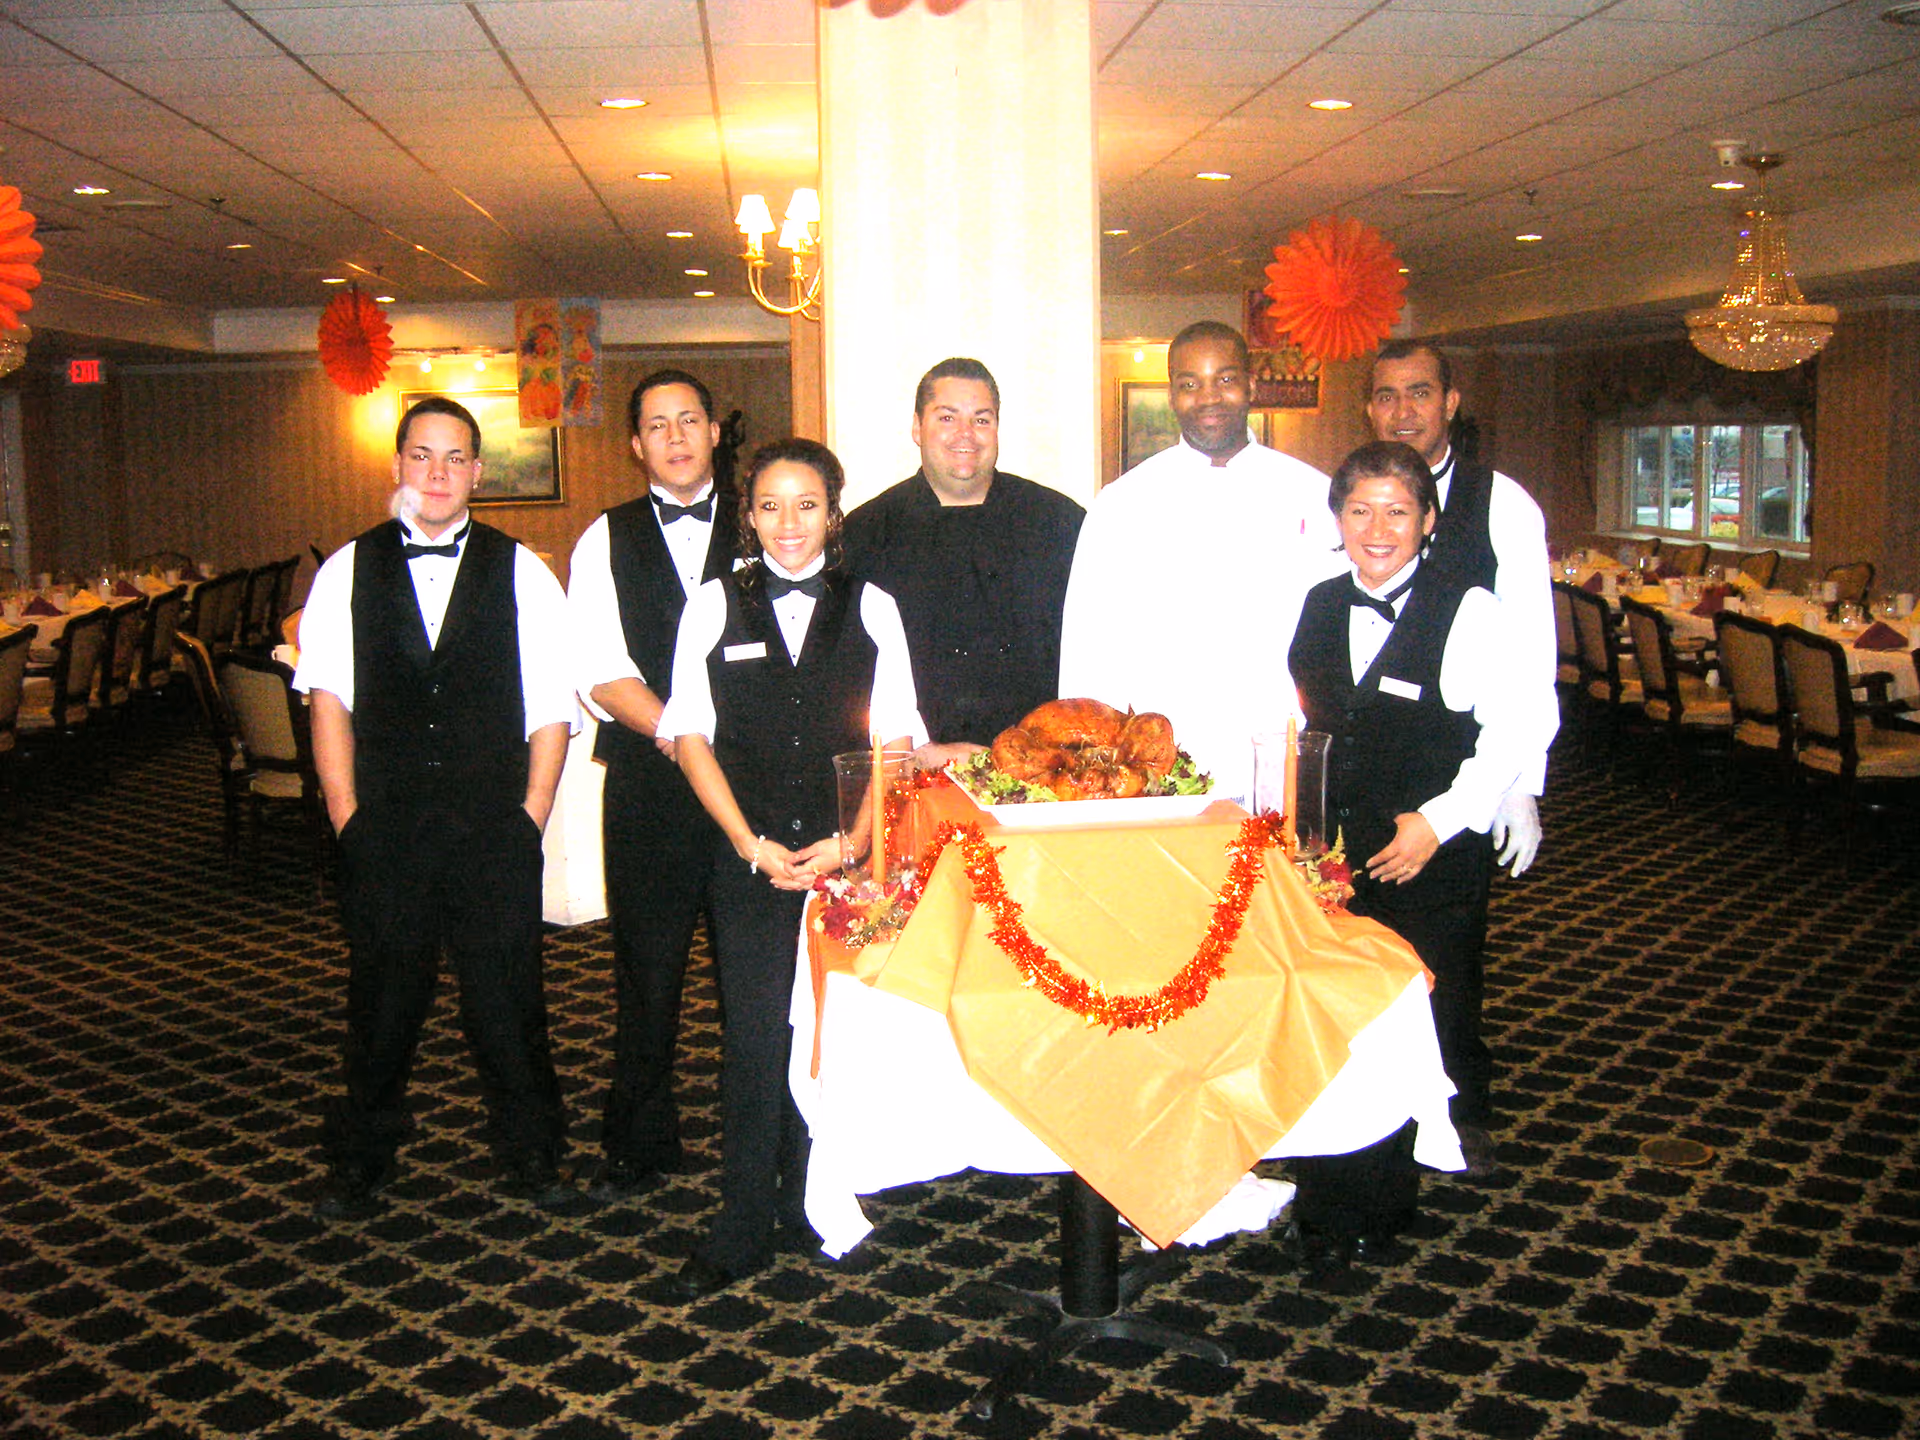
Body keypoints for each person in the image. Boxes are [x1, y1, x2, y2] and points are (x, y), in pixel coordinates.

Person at [298, 396, 579, 1217]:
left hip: (492, 827)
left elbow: (549, 708)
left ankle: (534, 1154)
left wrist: (530, 812)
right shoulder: (345, 571)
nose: (437, 474)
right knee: (381, 1005)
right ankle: (359, 1160)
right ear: (396, 465)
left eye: (455, 459)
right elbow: (328, 704)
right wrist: (347, 816)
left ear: (478, 474)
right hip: (384, 827)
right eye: (422, 456)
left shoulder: (522, 568)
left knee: (508, 1002)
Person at [658, 437, 925, 1299]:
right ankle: (741, 1221)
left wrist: (851, 843)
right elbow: (687, 736)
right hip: (749, 858)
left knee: (831, 1037)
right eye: (770, 505)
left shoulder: (874, 605)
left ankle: (816, 1203)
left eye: (806, 504)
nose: (788, 524)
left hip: (845, 864)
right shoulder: (711, 606)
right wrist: (746, 840)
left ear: (833, 514)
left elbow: (895, 744)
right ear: (749, 515)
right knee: (753, 1039)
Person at [1284, 441, 1527, 1266]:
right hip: (1334, 862)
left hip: (1431, 864)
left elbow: (1512, 736)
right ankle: (1328, 1199)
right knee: (1334, 1025)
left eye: (1397, 511)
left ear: (1427, 522)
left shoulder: (1470, 610)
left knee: (1412, 1023)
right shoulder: (1316, 600)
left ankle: (1378, 1209)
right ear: (1337, 520)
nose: (1377, 528)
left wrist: (1439, 820)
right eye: (1360, 510)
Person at [566, 370, 738, 1200]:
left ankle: (772, 1145)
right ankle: (638, 1142)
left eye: (689, 421)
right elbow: (600, 670)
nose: (675, 437)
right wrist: (681, 734)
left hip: (755, 793)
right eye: (657, 426)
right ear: (636, 444)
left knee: (761, 981)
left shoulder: (766, 517)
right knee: (647, 973)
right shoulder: (604, 538)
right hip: (651, 788)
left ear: (714, 431)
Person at [1060, 321, 1342, 801]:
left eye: (1225, 379)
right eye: (1190, 384)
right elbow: (1087, 641)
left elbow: (1338, 635)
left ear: (1252, 385)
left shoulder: (1313, 495)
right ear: (1172, 395)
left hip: (1275, 752)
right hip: (1159, 764)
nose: (1208, 397)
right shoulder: (1123, 503)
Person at [1366, 340, 1557, 880]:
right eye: (1387, 396)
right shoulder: (1348, 496)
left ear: (1450, 402)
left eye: (1419, 393)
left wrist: (1520, 783)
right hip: (1362, 768)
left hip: (1461, 772)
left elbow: (1532, 654)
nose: (1403, 412)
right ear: (1371, 409)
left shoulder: (1502, 503)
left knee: (1443, 946)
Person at [843, 357, 1083, 762]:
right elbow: (847, 673)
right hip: (915, 774)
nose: (966, 435)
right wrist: (915, 750)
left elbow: (1095, 642)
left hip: (1047, 773)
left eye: (982, 419)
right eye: (947, 417)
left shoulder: (1060, 523)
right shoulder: (865, 535)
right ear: (917, 428)